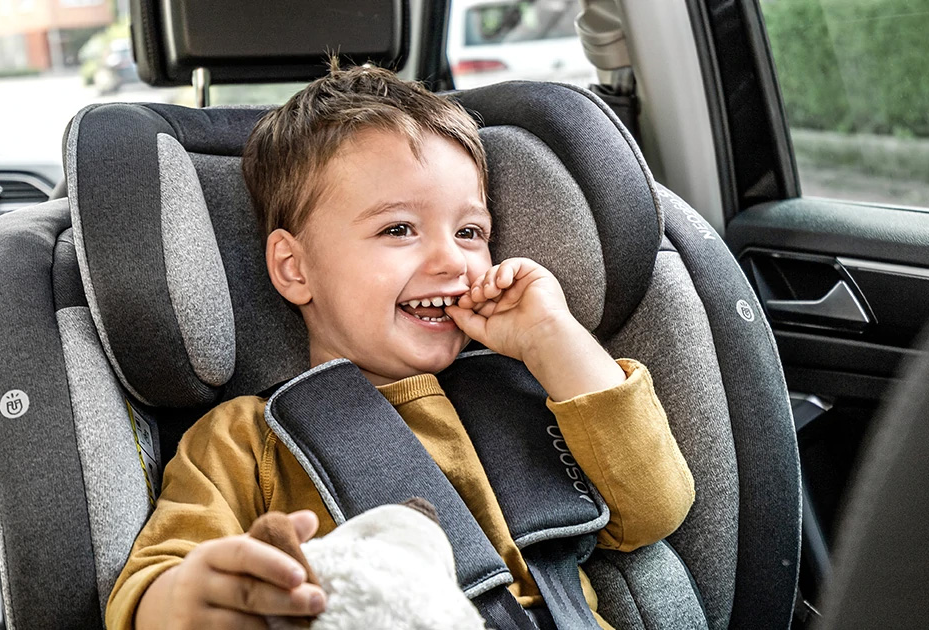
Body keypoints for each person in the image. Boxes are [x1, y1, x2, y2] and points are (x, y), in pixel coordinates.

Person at [105, 61, 695, 630]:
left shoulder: (531, 390)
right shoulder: (247, 439)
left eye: (470, 232)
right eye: (398, 230)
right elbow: (152, 583)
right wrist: (191, 598)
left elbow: (653, 510)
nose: (451, 260)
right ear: (294, 268)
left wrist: (551, 339)